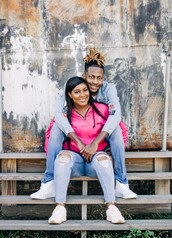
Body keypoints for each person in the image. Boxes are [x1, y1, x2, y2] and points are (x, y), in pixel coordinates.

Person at [30, 48, 137, 200]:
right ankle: (49, 182)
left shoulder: (108, 89)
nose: (95, 82)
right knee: (55, 127)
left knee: (117, 129)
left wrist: (95, 143)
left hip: (100, 137)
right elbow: (59, 114)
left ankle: (121, 183)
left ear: (103, 77)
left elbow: (115, 115)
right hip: (76, 137)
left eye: (99, 78)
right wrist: (78, 142)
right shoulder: (72, 85)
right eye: (91, 77)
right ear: (84, 75)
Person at [48, 76, 125, 224]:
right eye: (77, 92)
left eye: (85, 90)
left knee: (103, 160)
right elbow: (54, 135)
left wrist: (105, 150)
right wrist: (80, 145)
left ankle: (111, 207)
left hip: (95, 161)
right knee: (62, 158)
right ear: (69, 95)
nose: (82, 95)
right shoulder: (66, 114)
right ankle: (60, 208)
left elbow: (117, 130)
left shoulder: (102, 109)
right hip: (75, 161)